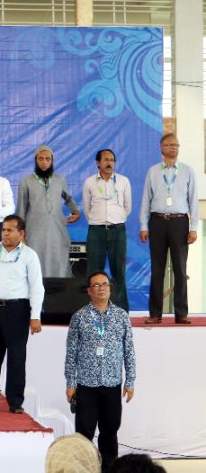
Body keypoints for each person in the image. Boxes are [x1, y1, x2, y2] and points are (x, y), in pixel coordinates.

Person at [65, 271, 137, 469]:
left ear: (110, 288)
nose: (101, 288)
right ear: (89, 291)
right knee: (83, 435)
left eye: (104, 284)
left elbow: (129, 351)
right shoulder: (79, 317)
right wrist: (70, 383)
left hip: (112, 384)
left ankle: (108, 469)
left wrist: (130, 382)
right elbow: (71, 354)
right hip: (86, 385)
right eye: (96, 285)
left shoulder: (122, 316)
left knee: (109, 433)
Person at [0, 215, 44, 414]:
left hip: (18, 310)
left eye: (10, 230)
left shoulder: (29, 255)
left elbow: (37, 287)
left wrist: (35, 316)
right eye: (3, 230)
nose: (5, 233)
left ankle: (15, 403)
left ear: (21, 234)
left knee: (16, 358)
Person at [140, 133, 198, 324]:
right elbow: (145, 200)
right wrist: (143, 225)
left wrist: (194, 227)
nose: (174, 147)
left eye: (176, 145)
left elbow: (193, 201)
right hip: (157, 222)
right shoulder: (153, 171)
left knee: (180, 269)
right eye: (169, 144)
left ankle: (181, 314)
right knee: (157, 268)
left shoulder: (188, 171)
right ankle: (155, 314)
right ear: (161, 148)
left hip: (180, 222)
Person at [17, 145, 80, 278]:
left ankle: (57, 295)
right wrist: (21, 234)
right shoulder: (26, 182)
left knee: (58, 261)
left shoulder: (59, 180)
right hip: (34, 231)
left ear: (52, 161)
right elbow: (20, 210)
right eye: (41, 159)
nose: (44, 162)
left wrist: (75, 212)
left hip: (57, 230)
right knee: (35, 262)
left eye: (47, 159)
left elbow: (68, 198)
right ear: (35, 160)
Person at [82, 149, 131, 311]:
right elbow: (86, 207)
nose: (109, 163)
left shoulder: (123, 181)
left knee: (119, 271)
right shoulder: (90, 182)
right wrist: (98, 221)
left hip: (118, 230)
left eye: (112, 160)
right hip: (96, 231)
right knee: (94, 270)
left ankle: (122, 311)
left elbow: (127, 207)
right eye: (105, 160)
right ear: (98, 163)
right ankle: (92, 310)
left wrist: (117, 219)